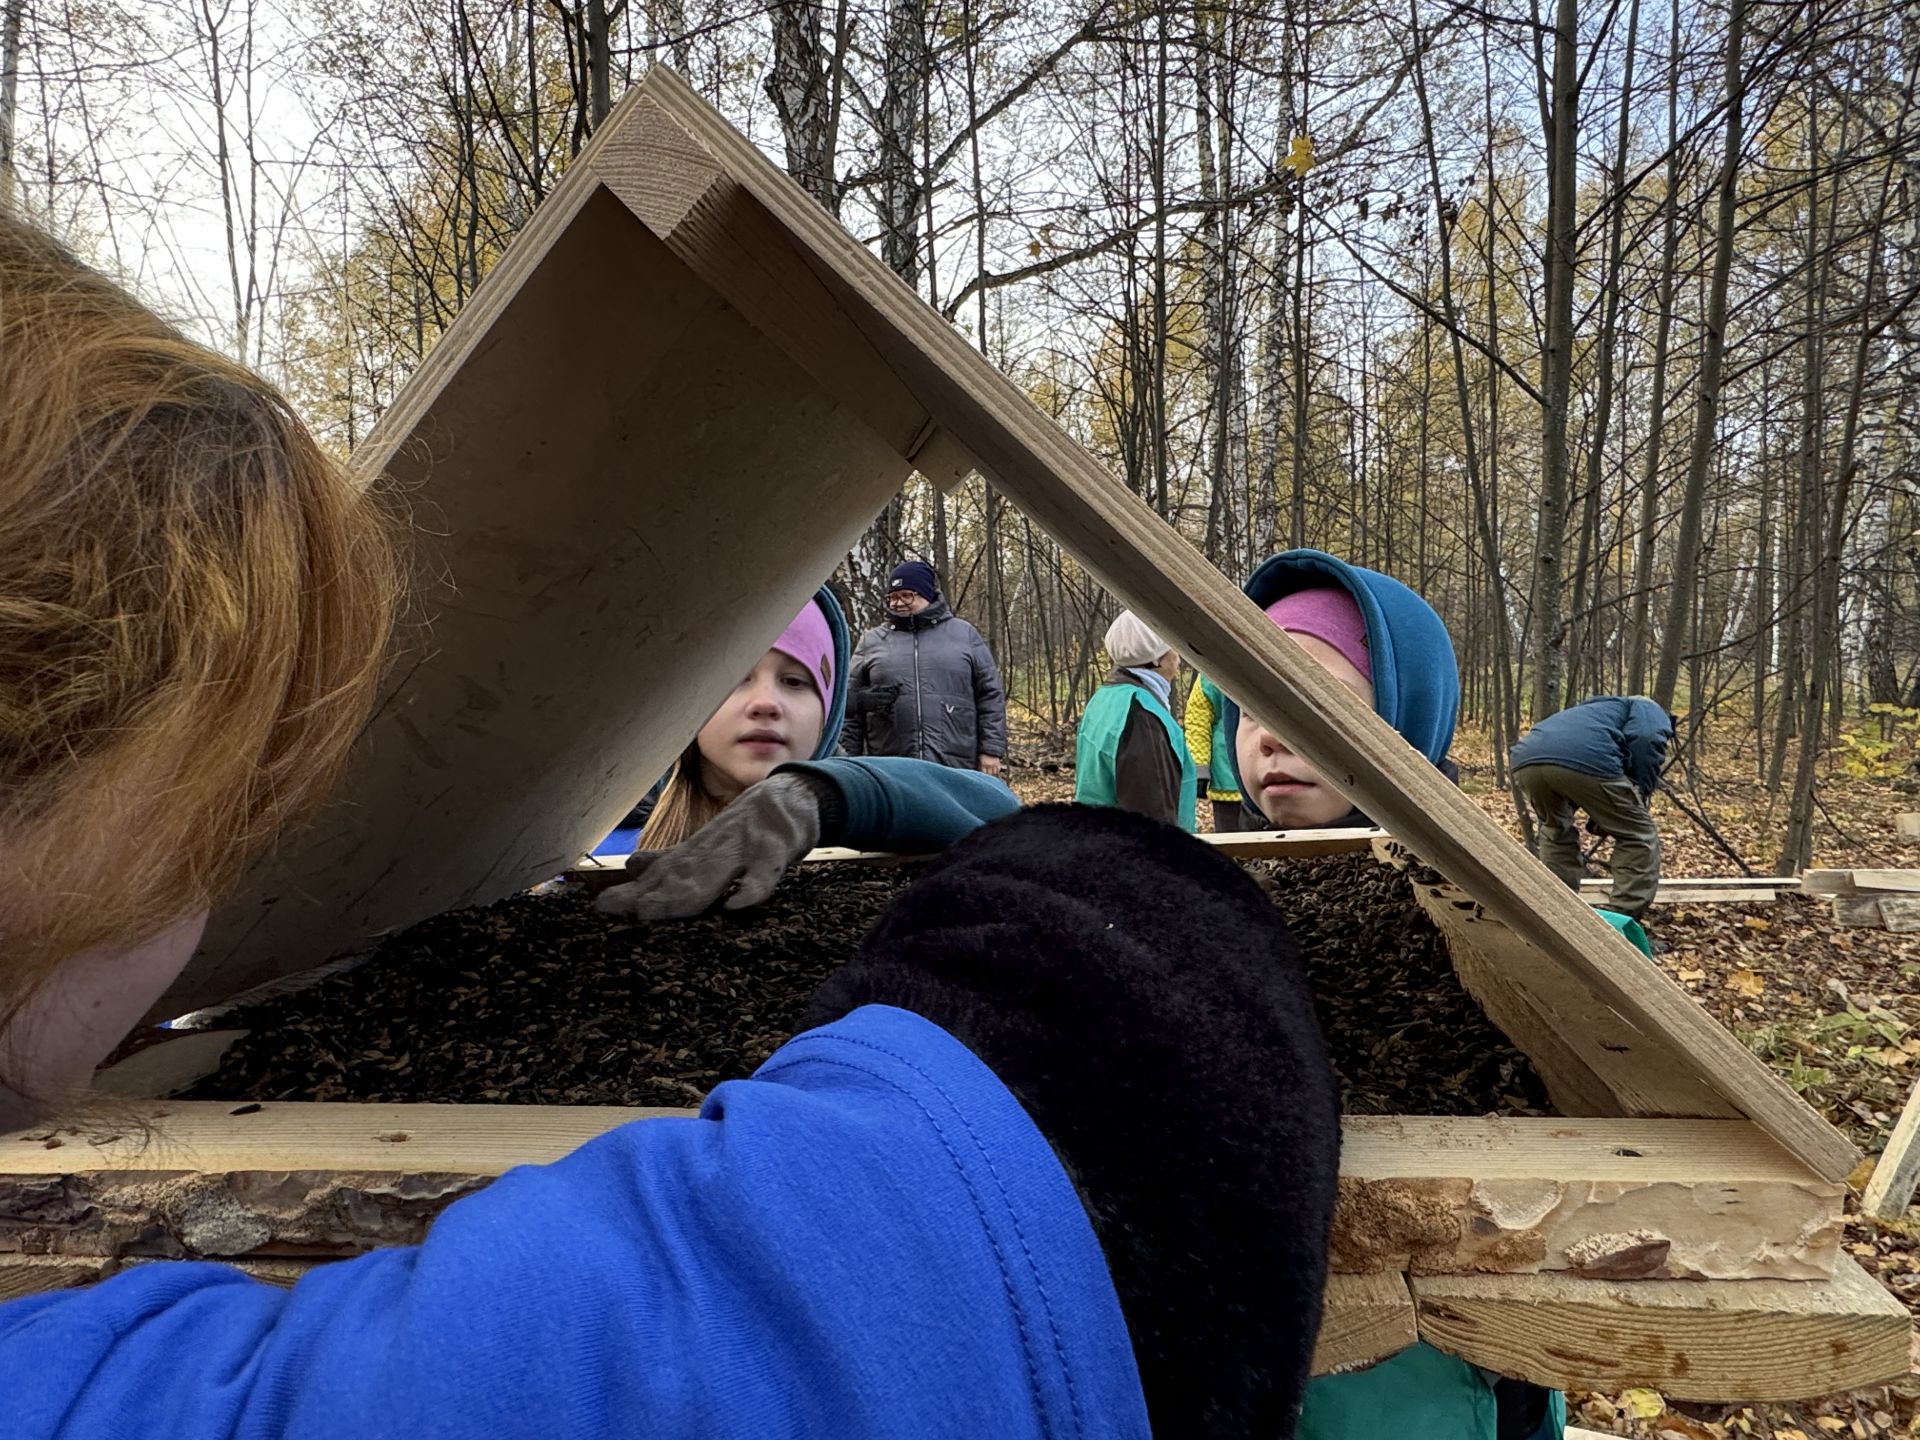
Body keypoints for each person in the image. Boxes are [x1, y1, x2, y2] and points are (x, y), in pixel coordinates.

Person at [0, 211, 1343, 1438]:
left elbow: (975, 799)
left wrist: (827, 795)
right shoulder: (604, 821)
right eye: (205, 798)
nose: (227, 873)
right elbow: (841, 1310)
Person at [1217, 549, 1564, 1440]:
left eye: (1317, 696)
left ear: (1407, 716)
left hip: (1443, 1380)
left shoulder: (1494, 910)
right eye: (1251, 700)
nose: (1270, 731)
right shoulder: (1206, 897)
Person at [592, 586, 1018, 914]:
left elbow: (1001, 809)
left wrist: (824, 798)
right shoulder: (601, 841)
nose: (765, 703)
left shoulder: (864, 828)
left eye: (796, 681)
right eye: (732, 677)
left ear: (827, 715)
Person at [1510, 696, 1674, 921]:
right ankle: (1622, 919)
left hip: (1526, 759)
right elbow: (1647, 738)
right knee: (1638, 834)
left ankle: (1556, 911)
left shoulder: (1591, 710)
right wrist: (1641, 792)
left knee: (1555, 831)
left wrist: (1605, 811)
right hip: (1586, 757)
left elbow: (1578, 770)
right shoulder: (1647, 707)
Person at [841, 559, 1007, 776]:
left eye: (906, 595)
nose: (897, 603)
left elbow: (990, 695)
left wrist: (991, 750)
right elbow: (850, 707)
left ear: (927, 594)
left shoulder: (964, 634)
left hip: (956, 764)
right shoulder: (871, 641)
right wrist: (846, 762)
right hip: (890, 766)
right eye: (892, 597)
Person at [1074, 610, 1196, 831]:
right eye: (1172, 647)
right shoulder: (1141, 716)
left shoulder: (1106, 698)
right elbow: (1153, 824)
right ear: (1157, 659)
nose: (1178, 656)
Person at [1185, 674, 1248, 832]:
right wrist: (1199, 767)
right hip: (1227, 780)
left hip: (1269, 779)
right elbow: (1198, 721)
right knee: (1231, 844)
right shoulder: (1212, 670)